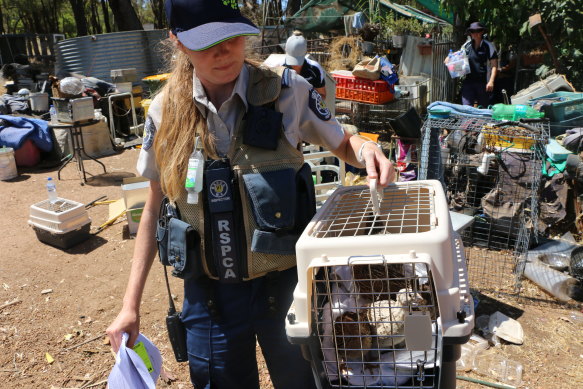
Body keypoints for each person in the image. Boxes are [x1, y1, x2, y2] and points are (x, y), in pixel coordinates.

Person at [106, 1, 395, 389]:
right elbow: (154, 204)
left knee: (304, 381)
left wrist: (365, 150)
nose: (223, 52)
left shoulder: (287, 90)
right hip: (209, 296)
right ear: (177, 42)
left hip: (285, 287)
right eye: (206, 42)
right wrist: (130, 306)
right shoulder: (164, 111)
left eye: (231, 37)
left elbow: (342, 140)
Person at [275, 30, 327, 99]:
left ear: (305, 52)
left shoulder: (314, 68)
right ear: (285, 50)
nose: (295, 65)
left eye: (298, 60)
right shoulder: (279, 67)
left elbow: (322, 95)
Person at [460, 22, 498, 107]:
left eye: (478, 31)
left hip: (484, 83)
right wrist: (449, 58)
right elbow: (458, 56)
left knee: (484, 108)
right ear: (470, 33)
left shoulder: (488, 46)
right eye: (473, 31)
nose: (476, 33)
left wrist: (491, 81)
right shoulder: (467, 45)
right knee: (466, 107)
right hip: (468, 81)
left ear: (482, 32)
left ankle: (481, 121)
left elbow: (494, 65)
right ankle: (467, 121)